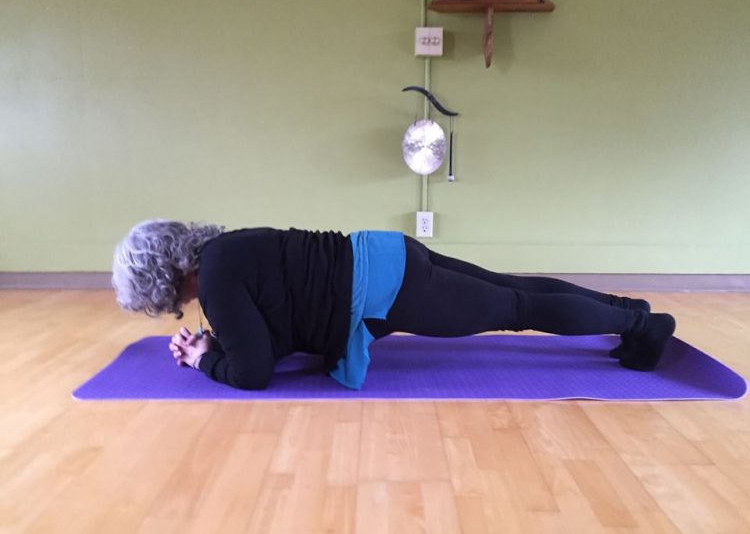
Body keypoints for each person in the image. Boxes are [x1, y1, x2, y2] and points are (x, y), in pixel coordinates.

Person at [112, 220, 676, 390]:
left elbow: (254, 370)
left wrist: (201, 360)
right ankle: (631, 312)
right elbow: (278, 326)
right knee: (515, 289)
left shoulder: (213, 281)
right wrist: (218, 343)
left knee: (516, 308)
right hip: (383, 252)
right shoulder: (226, 249)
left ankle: (642, 324)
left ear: (163, 280)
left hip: (387, 289)